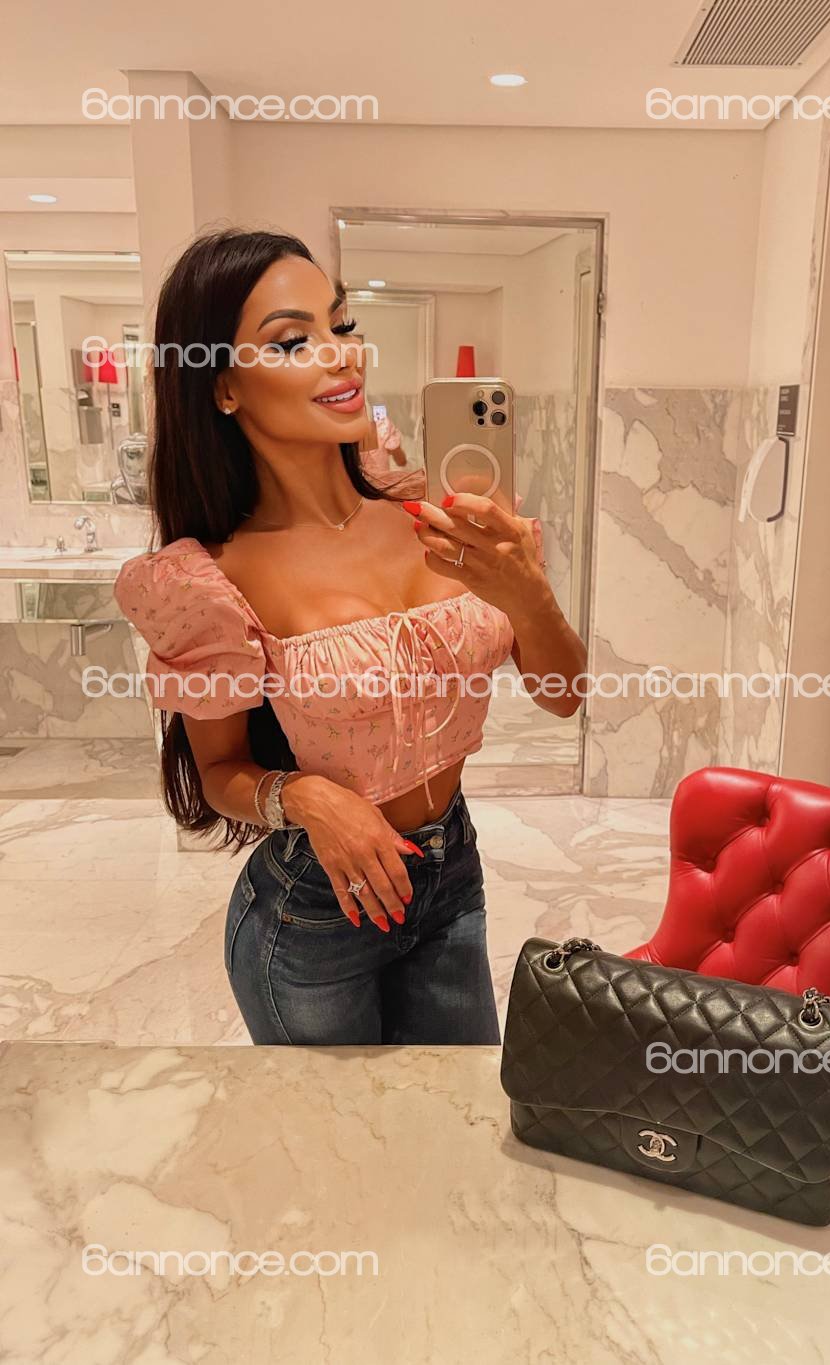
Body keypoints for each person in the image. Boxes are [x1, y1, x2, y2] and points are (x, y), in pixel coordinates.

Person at [114, 227, 585, 1046]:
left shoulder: (437, 519)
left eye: (341, 325)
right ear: (223, 387)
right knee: (332, 1131)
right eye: (293, 341)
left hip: (451, 876)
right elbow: (217, 771)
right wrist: (307, 796)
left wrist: (529, 595)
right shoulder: (210, 579)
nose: (341, 355)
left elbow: (563, 695)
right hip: (314, 909)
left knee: (458, 1110)